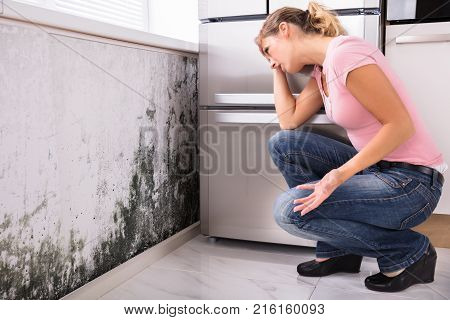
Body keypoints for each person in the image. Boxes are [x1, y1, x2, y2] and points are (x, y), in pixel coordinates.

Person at [255, 1, 448, 293]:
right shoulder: (323, 70)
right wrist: (277, 70)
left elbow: (400, 125)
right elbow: (288, 121)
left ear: (285, 30)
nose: (271, 60)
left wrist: (338, 175)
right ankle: (339, 251)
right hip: (377, 170)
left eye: (268, 50)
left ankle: (409, 251)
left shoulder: (347, 54)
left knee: (289, 211)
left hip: (413, 183)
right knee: (285, 145)